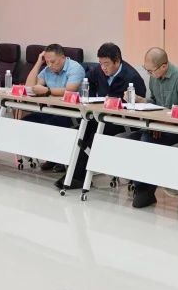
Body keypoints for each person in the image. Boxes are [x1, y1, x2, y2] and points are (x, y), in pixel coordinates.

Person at [57, 42, 146, 191]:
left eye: (106, 64)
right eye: (100, 63)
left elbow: (139, 106)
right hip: (102, 116)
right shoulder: (98, 71)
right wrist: (93, 100)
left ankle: (79, 177)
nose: (103, 67)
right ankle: (74, 174)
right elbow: (88, 83)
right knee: (80, 130)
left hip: (121, 122)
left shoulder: (132, 77)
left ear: (117, 61)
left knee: (94, 136)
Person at [128, 47, 178, 209]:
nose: (149, 74)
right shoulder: (154, 78)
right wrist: (141, 100)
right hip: (157, 126)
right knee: (133, 141)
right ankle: (142, 188)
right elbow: (155, 103)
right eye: (146, 70)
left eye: (151, 71)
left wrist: (164, 123)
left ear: (164, 66)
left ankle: (144, 190)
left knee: (146, 142)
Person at [22, 44, 86, 172]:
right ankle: (50, 157)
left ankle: (60, 160)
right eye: (47, 62)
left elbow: (70, 90)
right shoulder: (47, 69)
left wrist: (47, 91)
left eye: (53, 62)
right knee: (26, 122)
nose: (50, 65)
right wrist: (38, 63)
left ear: (63, 57)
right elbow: (29, 88)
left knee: (50, 125)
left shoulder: (75, 68)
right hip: (52, 109)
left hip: (72, 113)